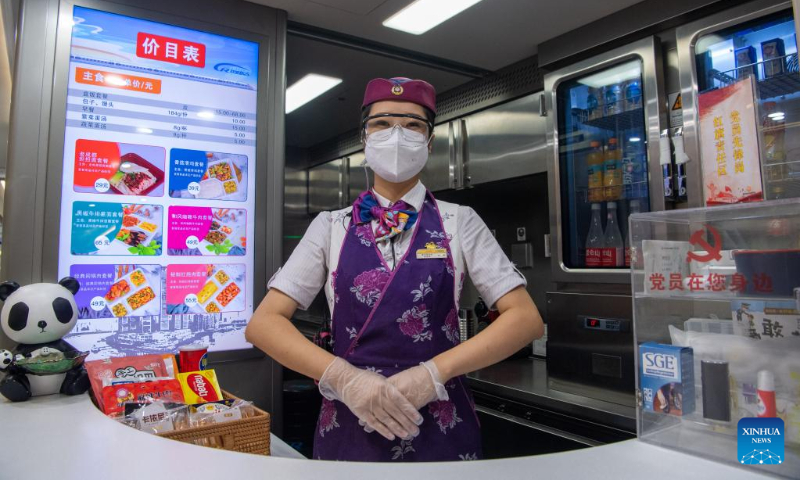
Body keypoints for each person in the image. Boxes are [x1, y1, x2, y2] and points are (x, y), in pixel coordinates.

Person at [246, 77, 544, 462]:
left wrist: (432, 374)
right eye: (382, 123)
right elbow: (264, 324)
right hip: (350, 426)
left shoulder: (461, 221)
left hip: (441, 423)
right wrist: (346, 379)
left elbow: (525, 319)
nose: (397, 134)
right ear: (364, 139)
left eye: (413, 124)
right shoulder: (330, 226)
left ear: (429, 142)